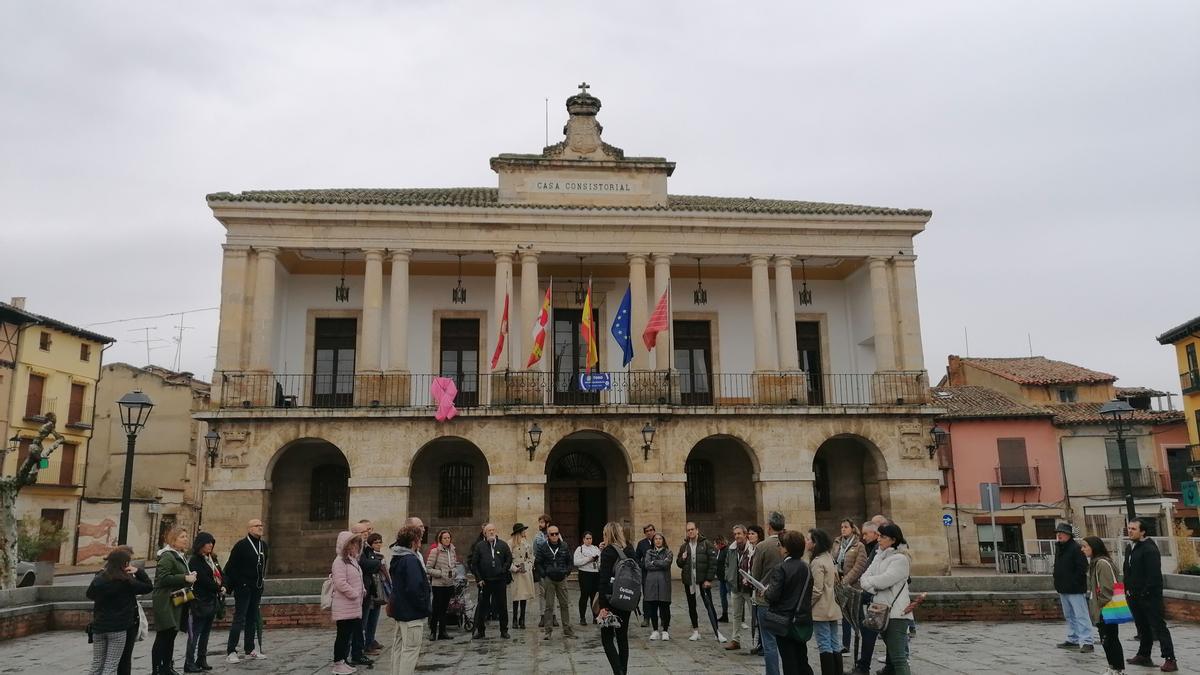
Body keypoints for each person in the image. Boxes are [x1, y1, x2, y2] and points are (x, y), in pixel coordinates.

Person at [86, 547, 153, 675]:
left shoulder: (99, 578)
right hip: (118, 628)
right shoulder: (126, 581)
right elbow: (148, 587)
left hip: (99, 627)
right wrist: (138, 571)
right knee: (111, 665)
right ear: (125, 564)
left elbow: (90, 594)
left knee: (97, 664)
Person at [1124, 517, 1177, 671]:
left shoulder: (1149, 549)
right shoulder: (1130, 548)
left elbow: (1153, 575)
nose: (1130, 531)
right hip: (1133, 595)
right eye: (1129, 528)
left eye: (1134, 529)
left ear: (1143, 532)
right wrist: (1127, 590)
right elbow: (1128, 571)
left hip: (1149, 596)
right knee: (1142, 627)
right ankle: (1144, 655)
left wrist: (1145, 593)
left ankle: (1170, 658)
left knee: (1158, 627)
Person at [860, 523, 913, 675]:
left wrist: (873, 584)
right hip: (880, 611)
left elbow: (885, 580)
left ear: (893, 540)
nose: (879, 539)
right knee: (894, 655)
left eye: (883, 537)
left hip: (896, 614)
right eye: (879, 536)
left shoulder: (900, 559)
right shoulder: (879, 555)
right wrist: (874, 585)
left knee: (898, 658)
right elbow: (864, 578)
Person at [763, 530, 814, 675]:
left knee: (789, 661)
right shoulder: (806, 567)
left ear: (786, 548)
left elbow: (773, 596)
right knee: (802, 659)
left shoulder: (781, 568)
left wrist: (765, 592)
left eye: (780, 545)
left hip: (783, 620)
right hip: (801, 618)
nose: (779, 548)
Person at [152, 526, 196, 675]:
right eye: (182, 537)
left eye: (186, 536)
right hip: (165, 600)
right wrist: (184, 577)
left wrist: (189, 576)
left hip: (176, 598)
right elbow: (162, 578)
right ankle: (158, 668)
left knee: (172, 633)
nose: (186, 539)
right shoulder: (167, 556)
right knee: (164, 633)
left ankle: (167, 666)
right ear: (173, 539)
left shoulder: (179, 555)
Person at [389, 524, 432, 675]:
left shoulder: (397, 557)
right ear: (414, 541)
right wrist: (423, 605)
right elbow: (415, 587)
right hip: (411, 613)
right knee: (411, 650)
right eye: (419, 538)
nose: (421, 542)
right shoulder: (410, 560)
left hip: (401, 611)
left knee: (399, 647)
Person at [224, 519, 268, 663]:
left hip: (256, 587)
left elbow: (262, 566)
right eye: (257, 526)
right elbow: (231, 567)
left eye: (261, 525)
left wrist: (261, 583)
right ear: (249, 529)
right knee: (240, 618)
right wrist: (240, 583)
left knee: (252, 619)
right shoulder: (241, 545)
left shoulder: (263, 545)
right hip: (243, 588)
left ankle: (250, 649)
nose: (260, 527)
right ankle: (231, 651)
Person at [595, 521, 636, 674]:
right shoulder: (630, 549)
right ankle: (623, 672)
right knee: (622, 638)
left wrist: (603, 606)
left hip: (611, 600)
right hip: (627, 598)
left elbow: (603, 579)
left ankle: (618, 672)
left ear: (608, 534)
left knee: (606, 638)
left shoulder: (608, 551)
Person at [1082, 536, 1126, 675]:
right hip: (1104, 607)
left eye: (1085, 546)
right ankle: (1113, 666)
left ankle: (1117, 668)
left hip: (1106, 608)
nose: (1082, 549)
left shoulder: (1101, 563)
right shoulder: (1097, 563)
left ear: (1093, 547)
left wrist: (1100, 606)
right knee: (1107, 639)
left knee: (1109, 639)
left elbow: (1107, 588)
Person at [676, 521, 725, 643]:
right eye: (688, 530)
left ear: (697, 530)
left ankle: (716, 631)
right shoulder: (684, 546)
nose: (690, 532)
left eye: (692, 529)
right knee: (692, 606)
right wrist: (682, 558)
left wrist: (709, 579)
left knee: (709, 605)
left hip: (703, 580)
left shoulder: (706, 544)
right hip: (689, 581)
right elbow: (679, 563)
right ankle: (695, 631)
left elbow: (712, 563)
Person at [752, 512, 787, 674]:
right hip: (785, 601)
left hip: (765, 600)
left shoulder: (762, 546)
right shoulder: (789, 543)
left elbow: (755, 575)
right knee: (785, 641)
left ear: (769, 527)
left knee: (769, 642)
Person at [1051, 522, 1092, 652]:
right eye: (1058, 533)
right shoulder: (1059, 548)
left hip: (1075, 588)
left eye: (1061, 533)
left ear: (1068, 535)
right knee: (1069, 615)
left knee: (1081, 615)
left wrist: (1074, 582)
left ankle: (1087, 641)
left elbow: (1082, 568)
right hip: (1063, 587)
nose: (1059, 535)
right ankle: (1073, 638)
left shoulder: (1076, 548)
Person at [330, 531, 367, 675]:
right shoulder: (339, 561)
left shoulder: (352, 560)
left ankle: (343, 661)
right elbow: (340, 583)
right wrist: (354, 594)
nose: (355, 546)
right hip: (345, 605)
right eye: (352, 543)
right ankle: (338, 663)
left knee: (347, 636)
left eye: (356, 543)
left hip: (353, 605)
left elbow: (358, 578)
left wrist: (362, 590)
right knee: (342, 636)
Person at [844, 522, 878, 675]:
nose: (864, 537)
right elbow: (867, 573)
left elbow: (865, 572)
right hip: (870, 595)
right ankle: (863, 666)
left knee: (869, 632)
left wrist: (849, 581)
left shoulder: (871, 549)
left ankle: (865, 667)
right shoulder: (876, 550)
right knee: (867, 631)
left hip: (880, 599)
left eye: (867, 534)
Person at [185, 532, 223, 672]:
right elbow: (203, 579)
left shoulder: (212, 559)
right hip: (200, 601)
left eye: (212, 542)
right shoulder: (195, 560)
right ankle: (189, 662)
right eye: (208, 542)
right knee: (195, 632)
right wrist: (218, 587)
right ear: (200, 544)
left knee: (206, 632)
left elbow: (220, 573)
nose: (210, 545)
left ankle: (201, 658)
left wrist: (222, 584)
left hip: (212, 600)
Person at [808, 528, 843, 675]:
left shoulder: (817, 562)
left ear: (815, 543)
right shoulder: (829, 557)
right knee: (834, 643)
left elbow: (817, 589)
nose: (806, 541)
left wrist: (806, 605)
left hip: (821, 608)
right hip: (833, 606)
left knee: (824, 644)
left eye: (809, 539)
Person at [468, 523, 512, 639]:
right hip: (485, 581)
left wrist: (503, 569)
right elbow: (474, 563)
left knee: (502, 606)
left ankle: (504, 630)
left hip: (499, 581)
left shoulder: (503, 545)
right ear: (485, 533)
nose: (491, 532)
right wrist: (479, 578)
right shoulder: (480, 546)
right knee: (483, 606)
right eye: (489, 531)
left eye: (493, 530)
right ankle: (481, 630)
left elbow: (509, 558)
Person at [536, 523, 576, 639]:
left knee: (564, 604)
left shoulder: (564, 546)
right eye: (551, 534)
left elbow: (569, 560)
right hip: (549, 580)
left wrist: (567, 572)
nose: (554, 536)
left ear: (559, 534)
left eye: (556, 534)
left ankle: (567, 629)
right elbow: (538, 562)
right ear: (548, 535)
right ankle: (548, 631)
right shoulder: (543, 547)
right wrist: (544, 574)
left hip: (561, 579)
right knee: (549, 606)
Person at [833, 519, 864, 656]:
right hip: (839, 583)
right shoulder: (837, 543)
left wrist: (847, 580)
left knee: (857, 615)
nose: (843, 529)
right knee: (845, 615)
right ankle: (846, 644)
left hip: (853, 585)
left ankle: (863, 639)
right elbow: (833, 559)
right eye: (841, 527)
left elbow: (859, 565)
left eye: (846, 527)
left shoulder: (858, 545)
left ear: (852, 528)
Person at [723, 524, 754, 651]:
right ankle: (735, 640)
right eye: (735, 534)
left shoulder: (752, 548)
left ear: (745, 534)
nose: (737, 536)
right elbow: (727, 564)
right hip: (736, 586)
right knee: (736, 615)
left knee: (754, 615)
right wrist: (728, 577)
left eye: (739, 533)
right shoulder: (731, 549)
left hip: (749, 588)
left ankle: (756, 641)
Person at [426, 529, 457, 640]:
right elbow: (428, 568)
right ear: (440, 539)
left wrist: (454, 572)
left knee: (444, 609)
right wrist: (439, 573)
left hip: (449, 583)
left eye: (448, 538)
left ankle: (443, 632)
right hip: (438, 584)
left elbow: (453, 564)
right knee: (436, 608)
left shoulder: (452, 551)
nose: (447, 540)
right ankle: (433, 631)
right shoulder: (435, 551)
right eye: (444, 538)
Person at [642, 532, 673, 641]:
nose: (658, 541)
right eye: (656, 539)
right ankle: (655, 630)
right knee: (653, 608)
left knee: (665, 608)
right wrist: (659, 563)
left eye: (660, 539)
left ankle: (665, 630)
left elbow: (666, 564)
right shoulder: (649, 552)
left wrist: (654, 562)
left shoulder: (668, 552)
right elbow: (647, 565)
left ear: (663, 540)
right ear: (653, 541)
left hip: (664, 583)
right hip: (652, 584)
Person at [361, 532, 388, 654]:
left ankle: (371, 641)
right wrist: (378, 563)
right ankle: (365, 646)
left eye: (379, 542)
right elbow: (366, 565)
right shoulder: (365, 551)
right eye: (375, 542)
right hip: (369, 589)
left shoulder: (375, 554)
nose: (378, 544)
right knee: (365, 621)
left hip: (377, 589)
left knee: (374, 618)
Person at [508, 523, 535, 630]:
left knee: (524, 596)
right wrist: (514, 568)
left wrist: (529, 566)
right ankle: (514, 618)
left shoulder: (527, 543)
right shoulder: (510, 543)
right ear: (518, 532)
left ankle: (522, 618)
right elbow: (507, 559)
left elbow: (531, 556)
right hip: (515, 572)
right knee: (516, 596)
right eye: (523, 530)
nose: (525, 532)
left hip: (525, 572)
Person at [573, 531, 601, 626]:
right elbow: (576, 562)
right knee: (584, 596)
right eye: (587, 538)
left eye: (590, 538)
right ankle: (582, 617)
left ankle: (595, 616)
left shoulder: (596, 548)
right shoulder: (580, 549)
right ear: (583, 539)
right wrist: (589, 559)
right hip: (585, 574)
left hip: (595, 573)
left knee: (594, 597)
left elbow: (600, 561)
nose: (589, 540)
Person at [635, 524, 656, 627]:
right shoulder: (641, 544)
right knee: (647, 596)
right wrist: (643, 565)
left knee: (659, 596)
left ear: (654, 531)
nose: (649, 532)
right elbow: (636, 558)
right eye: (647, 531)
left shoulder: (659, 540)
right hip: (646, 574)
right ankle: (646, 618)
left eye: (651, 530)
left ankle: (662, 618)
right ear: (644, 533)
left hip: (658, 574)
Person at [534, 515, 551, 627]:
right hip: (542, 568)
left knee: (552, 593)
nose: (540, 524)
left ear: (547, 523)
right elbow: (535, 551)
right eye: (539, 522)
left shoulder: (555, 534)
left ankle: (552, 616)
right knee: (542, 594)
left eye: (542, 522)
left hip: (553, 568)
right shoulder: (537, 536)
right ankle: (542, 616)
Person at [714, 535, 730, 623]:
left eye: (715, 544)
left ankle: (740, 618)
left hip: (727, 579)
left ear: (720, 543)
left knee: (733, 598)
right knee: (723, 597)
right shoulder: (720, 551)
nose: (715, 546)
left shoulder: (727, 550)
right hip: (721, 579)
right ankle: (725, 615)